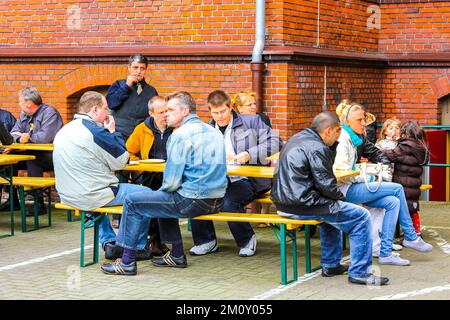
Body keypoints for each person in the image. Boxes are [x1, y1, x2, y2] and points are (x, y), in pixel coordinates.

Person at [101, 91, 227, 275]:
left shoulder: (180, 135)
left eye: (170, 110)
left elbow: (171, 182)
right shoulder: (213, 131)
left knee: (134, 201)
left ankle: (126, 261)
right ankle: (176, 255)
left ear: (185, 111)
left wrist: (158, 193)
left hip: (193, 200)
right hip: (217, 199)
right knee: (161, 201)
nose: (166, 113)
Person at [271, 111, 388, 286]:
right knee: (361, 216)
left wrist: (331, 148)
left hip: (284, 203)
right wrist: (342, 199)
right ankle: (360, 272)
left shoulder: (297, 138)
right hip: (303, 205)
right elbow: (327, 185)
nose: (338, 137)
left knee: (331, 212)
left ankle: (331, 264)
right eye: (336, 133)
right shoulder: (317, 148)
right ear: (327, 131)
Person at [53, 91, 153, 261]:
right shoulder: (96, 132)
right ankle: (133, 247)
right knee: (147, 194)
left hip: (67, 194)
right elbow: (122, 161)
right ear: (95, 109)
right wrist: (113, 132)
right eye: (106, 109)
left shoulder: (65, 129)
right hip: (91, 194)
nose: (108, 113)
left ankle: (108, 242)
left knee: (96, 196)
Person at [333, 101, 433, 267]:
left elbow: (372, 153)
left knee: (392, 202)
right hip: (344, 188)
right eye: (359, 120)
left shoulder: (356, 138)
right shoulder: (344, 140)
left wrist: (371, 171)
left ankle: (385, 252)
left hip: (351, 185)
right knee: (397, 188)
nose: (364, 123)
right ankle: (410, 236)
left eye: (364, 119)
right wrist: (367, 177)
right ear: (347, 122)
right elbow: (342, 172)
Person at [188, 90, 281, 258]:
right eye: (215, 113)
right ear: (209, 111)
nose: (220, 116)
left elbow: (275, 142)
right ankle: (205, 241)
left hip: (247, 179)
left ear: (230, 107)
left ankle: (247, 240)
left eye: (223, 111)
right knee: (195, 196)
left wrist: (249, 154)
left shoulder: (251, 121)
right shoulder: (207, 129)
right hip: (217, 178)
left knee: (230, 204)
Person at [125, 95, 174, 256]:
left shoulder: (176, 128)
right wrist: (141, 164)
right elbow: (128, 152)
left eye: (167, 111)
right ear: (151, 113)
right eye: (161, 112)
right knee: (150, 198)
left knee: (164, 201)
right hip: (149, 175)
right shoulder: (142, 129)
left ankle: (158, 240)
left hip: (171, 175)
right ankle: (153, 240)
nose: (165, 115)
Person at [6, 87, 63, 214]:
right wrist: (20, 139)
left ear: (29, 103)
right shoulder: (24, 115)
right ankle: (13, 200)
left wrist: (28, 138)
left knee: (33, 158)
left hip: (54, 156)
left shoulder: (50, 113)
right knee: (10, 160)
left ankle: (38, 203)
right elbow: (13, 133)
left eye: (20, 101)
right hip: (34, 153)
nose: (18, 104)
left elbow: (46, 137)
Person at [383, 121, 430, 237]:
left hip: (403, 183)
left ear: (405, 134)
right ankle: (416, 232)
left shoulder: (404, 146)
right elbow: (406, 149)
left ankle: (406, 234)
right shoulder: (420, 146)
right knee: (413, 208)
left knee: (401, 208)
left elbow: (392, 155)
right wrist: (399, 140)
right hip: (414, 184)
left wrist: (377, 151)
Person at [106, 54, 158, 142]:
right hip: (120, 135)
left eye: (142, 68)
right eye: (135, 67)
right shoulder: (118, 84)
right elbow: (111, 104)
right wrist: (126, 86)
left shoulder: (152, 90)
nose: (139, 71)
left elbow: (156, 114)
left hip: (141, 137)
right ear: (129, 68)